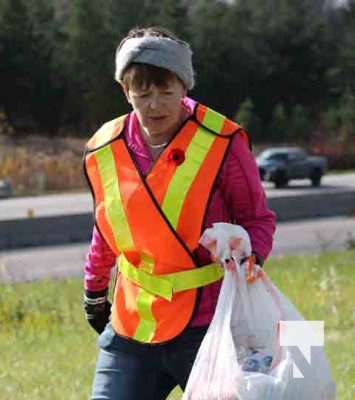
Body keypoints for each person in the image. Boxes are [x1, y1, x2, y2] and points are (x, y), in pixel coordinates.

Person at [82, 26, 276, 400]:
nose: (154, 105)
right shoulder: (102, 148)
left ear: (185, 87)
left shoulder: (223, 142)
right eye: (142, 93)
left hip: (209, 326)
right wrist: (94, 290)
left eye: (166, 91)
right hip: (132, 326)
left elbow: (257, 219)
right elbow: (107, 226)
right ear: (125, 90)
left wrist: (250, 258)